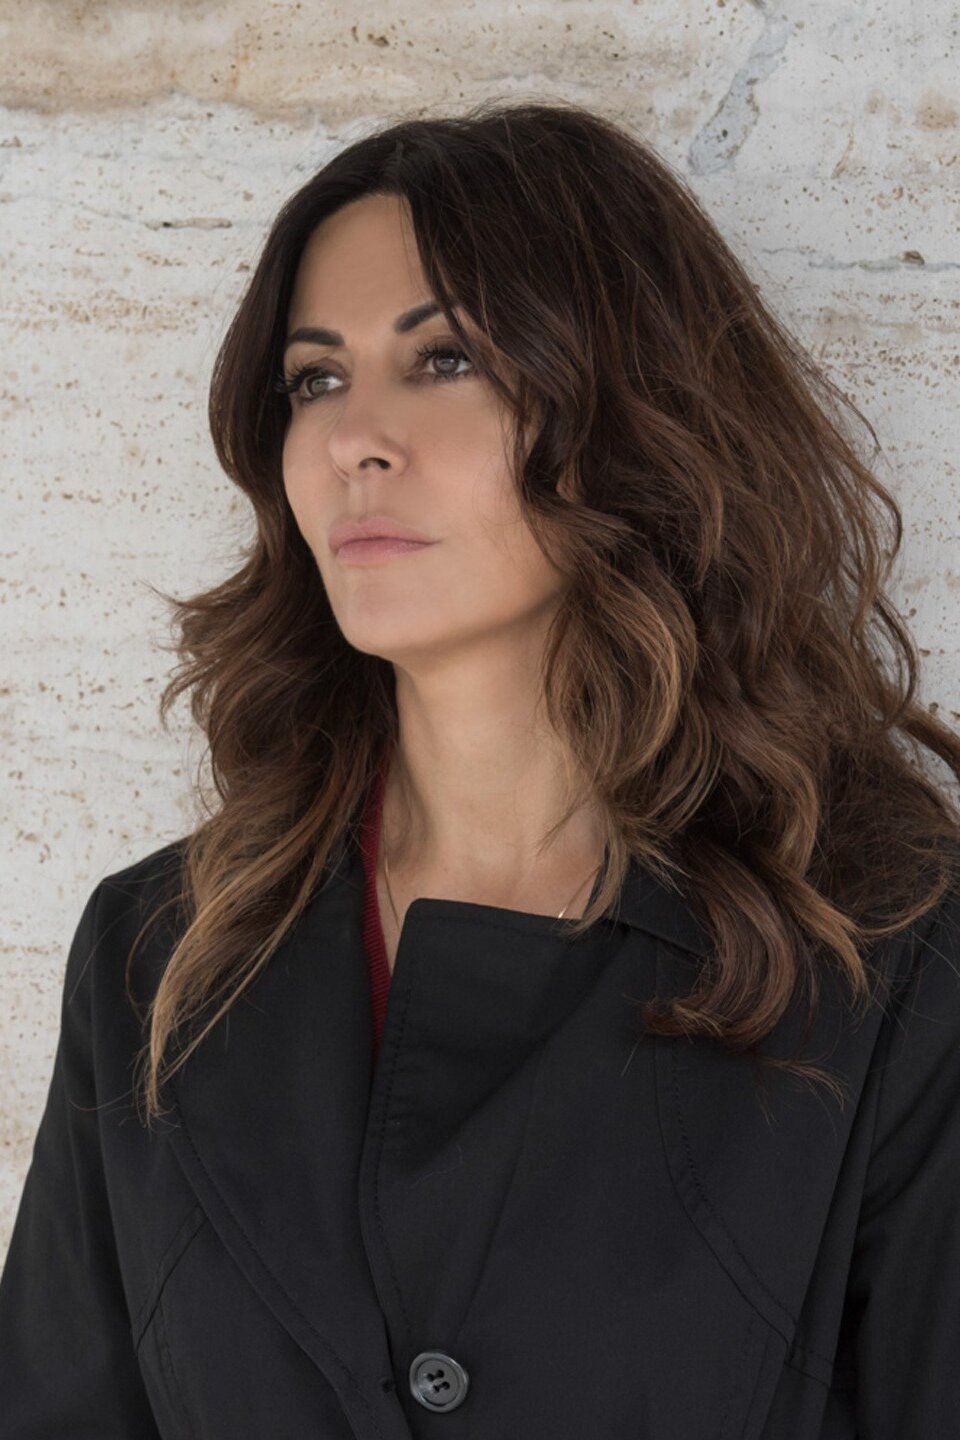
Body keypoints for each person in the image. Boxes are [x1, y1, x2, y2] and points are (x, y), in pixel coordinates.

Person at [2, 98, 959, 1440]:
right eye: (315, 379)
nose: (355, 438)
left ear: (629, 409)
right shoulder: (158, 959)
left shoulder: (887, 956)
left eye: (443, 359)